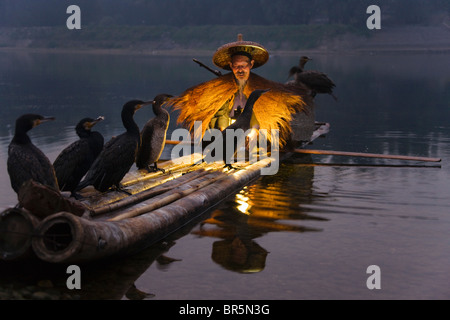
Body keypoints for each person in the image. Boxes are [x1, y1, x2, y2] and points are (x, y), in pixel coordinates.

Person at [167, 34, 309, 149]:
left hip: (254, 142)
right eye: (236, 66)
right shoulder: (218, 89)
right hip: (223, 140)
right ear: (230, 66)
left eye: (244, 66)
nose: (240, 70)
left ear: (251, 64)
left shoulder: (263, 89)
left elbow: (259, 119)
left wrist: (253, 133)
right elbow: (217, 115)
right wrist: (224, 131)